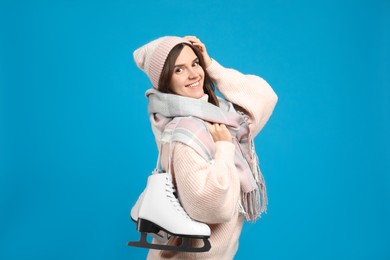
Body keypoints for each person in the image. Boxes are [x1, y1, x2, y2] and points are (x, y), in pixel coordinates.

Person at [133, 35, 278, 259]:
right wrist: (223, 149)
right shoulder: (184, 131)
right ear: (164, 80)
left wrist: (211, 65)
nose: (193, 74)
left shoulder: (219, 117)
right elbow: (211, 206)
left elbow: (265, 98)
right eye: (178, 70)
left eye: (195, 63)